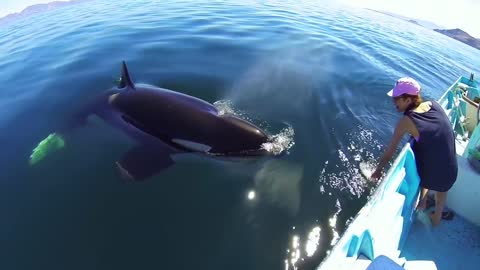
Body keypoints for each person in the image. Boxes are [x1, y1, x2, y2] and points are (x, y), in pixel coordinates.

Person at [371, 77, 458, 226]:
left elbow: (390, 151)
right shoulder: (434, 105)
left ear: (407, 99)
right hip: (451, 174)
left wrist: (378, 170)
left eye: (396, 99)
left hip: (432, 178)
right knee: (431, 152)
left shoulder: (406, 121)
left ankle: (422, 203)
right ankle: (436, 217)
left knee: (418, 150)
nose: (394, 103)